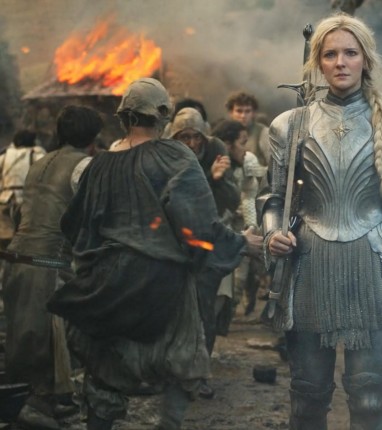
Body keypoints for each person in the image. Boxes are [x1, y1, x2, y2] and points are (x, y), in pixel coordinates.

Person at [47, 78, 260, 430]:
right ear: (163, 116)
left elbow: (75, 227)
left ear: (123, 117)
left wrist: (91, 269)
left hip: (108, 284)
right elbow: (198, 224)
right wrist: (240, 243)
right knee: (181, 361)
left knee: (105, 369)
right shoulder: (175, 157)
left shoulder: (97, 166)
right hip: (163, 281)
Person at [262, 14, 382, 429]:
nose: (340, 62)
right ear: (318, 63)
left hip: (374, 263)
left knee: (370, 397)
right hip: (308, 264)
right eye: (330, 54)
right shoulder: (289, 125)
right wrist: (272, 233)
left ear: (366, 60)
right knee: (307, 398)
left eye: (350, 53)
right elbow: (273, 198)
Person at [3, 106, 102, 430]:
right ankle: (39, 404)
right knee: (53, 335)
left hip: (16, 260)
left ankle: (44, 401)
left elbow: (23, 212)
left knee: (25, 336)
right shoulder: (85, 165)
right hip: (47, 263)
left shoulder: (39, 162)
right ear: (93, 138)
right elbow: (93, 217)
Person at [166, 107, 241, 399]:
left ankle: (200, 373)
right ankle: (172, 370)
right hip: (174, 241)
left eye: (195, 137)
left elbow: (232, 200)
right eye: (183, 137)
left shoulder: (216, 151)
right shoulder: (166, 155)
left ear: (203, 137)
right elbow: (173, 198)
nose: (190, 143)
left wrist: (218, 178)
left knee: (204, 310)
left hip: (209, 241)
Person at [213, 119, 267, 317]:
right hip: (214, 230)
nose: (245, 149)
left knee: (239, 276)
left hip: (237, 226)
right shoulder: (210, 162)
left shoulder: (246, 162)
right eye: (242, 143)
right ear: (228, 144)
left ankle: (226, 316)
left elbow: (248, 195)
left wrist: (250, 225)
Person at [0, 130, 46, 247]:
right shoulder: (37, 155)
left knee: (5, 238)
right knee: (26, 237)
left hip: (5, 200)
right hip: (27, 201)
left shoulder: (4, 156)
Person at [225, 91, 270, 167]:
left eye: (247, 111)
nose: (243, 116)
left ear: (254, 113)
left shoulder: (263, 132)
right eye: (239, 111)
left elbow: (273, 166)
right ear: (231, 113)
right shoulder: (225, 132)